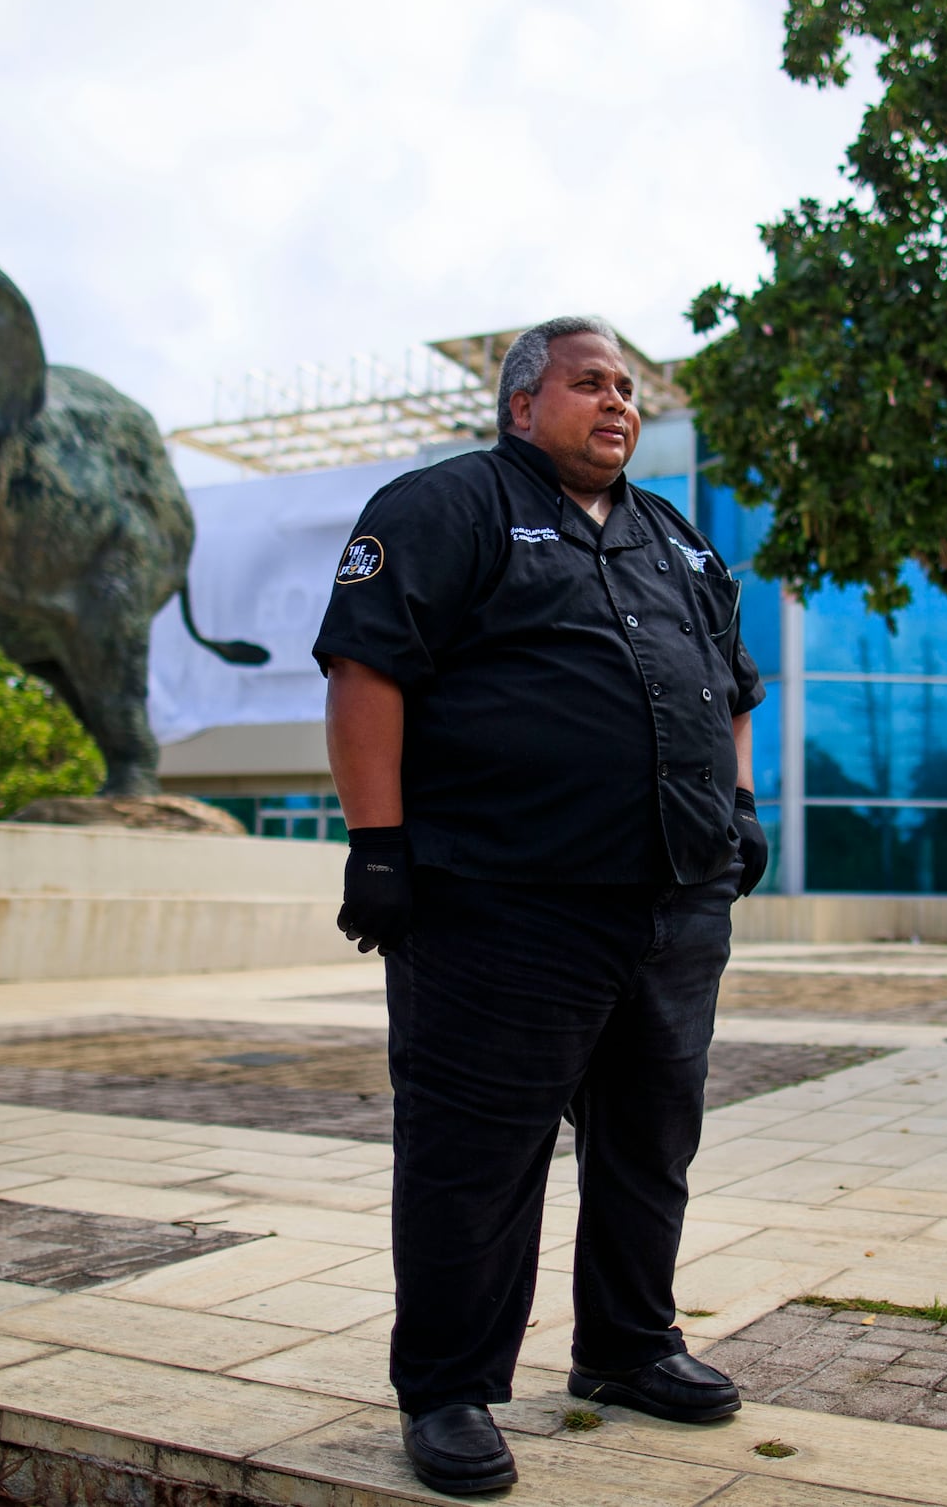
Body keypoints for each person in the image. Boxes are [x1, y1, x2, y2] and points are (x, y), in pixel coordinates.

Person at [313, 315, 769, 1495]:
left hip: (672, 904)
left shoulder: (679, 541)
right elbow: (367, 668)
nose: (615, 403)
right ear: (522, 407)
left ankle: (626, 1347)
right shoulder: (445, 507)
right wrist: (377, 847)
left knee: (649, 1142)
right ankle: (450, 1390)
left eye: (625, 387)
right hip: (499, 904)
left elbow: (730, 688)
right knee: (476, 1158)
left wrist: (744, 807)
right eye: (587, 384)